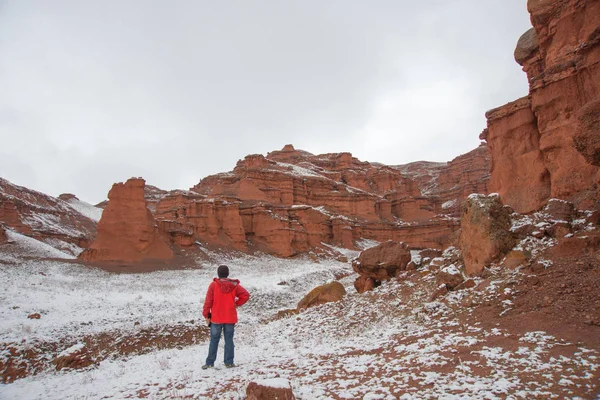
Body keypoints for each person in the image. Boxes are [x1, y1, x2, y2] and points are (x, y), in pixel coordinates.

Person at [202, 265, 250, 369]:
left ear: (218, 274)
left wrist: (206, 315)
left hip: (216, 318)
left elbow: (208, 301)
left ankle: (209, 363)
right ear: (227, 273)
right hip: (230, 317)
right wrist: (237, 303)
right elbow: (245, 295)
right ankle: (229, 362)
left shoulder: (213, 285)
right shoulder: (234, 285)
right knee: (229, 340)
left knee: (214, 340)